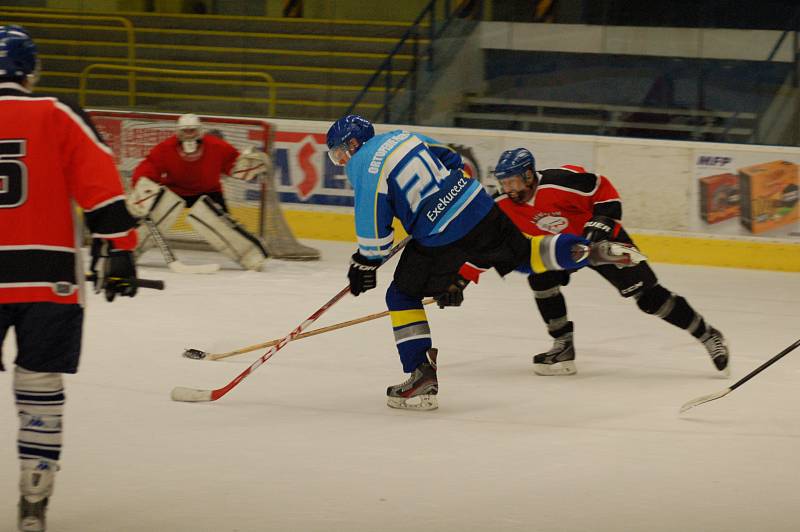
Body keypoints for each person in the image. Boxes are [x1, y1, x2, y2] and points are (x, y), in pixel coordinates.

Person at [326, 115, 643, 411]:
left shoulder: (362, 164)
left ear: (352, 145)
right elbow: (451, 158)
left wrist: (364, 262)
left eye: (339, 155)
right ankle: (585, 249)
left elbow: (373, 226)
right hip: (477, 205)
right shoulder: (402, 136)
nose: (341, 163)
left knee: (402, 296)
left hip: (440, 233)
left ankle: (421, 378)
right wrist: (447, 194)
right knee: (525, 255)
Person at [0, 25, 140, 532]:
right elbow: (100, 189)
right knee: (39, 385)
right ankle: (33, 500)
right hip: (48, 277)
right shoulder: (56, 112)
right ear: (30, 70)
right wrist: (120, 250)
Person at [492, 147, 730, 377]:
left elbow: (602, 188)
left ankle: (708, 335)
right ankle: (563, 344)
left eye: (513, 182)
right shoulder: (500, 203)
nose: (509, 189)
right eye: (504, 183)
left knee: (650, 299)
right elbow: (481, 233)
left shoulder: (559, 182)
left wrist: (603, 220)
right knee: (540, 277)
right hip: (564, 248)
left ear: (529, 175)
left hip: (600, 243)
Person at [128, 113, 270, 270]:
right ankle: (128, 251)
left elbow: (233, 164)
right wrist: (141, 183)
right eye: (185, 131)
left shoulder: (217, 146)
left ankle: (251, 256)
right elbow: (150, 165)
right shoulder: (166, 148)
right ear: (178, 132)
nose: (189, 135)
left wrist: (246, 167)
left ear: (200, 131)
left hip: (209, 191)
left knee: (222, 225)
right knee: (154, 215)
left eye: (192, 131)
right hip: (176, 190)